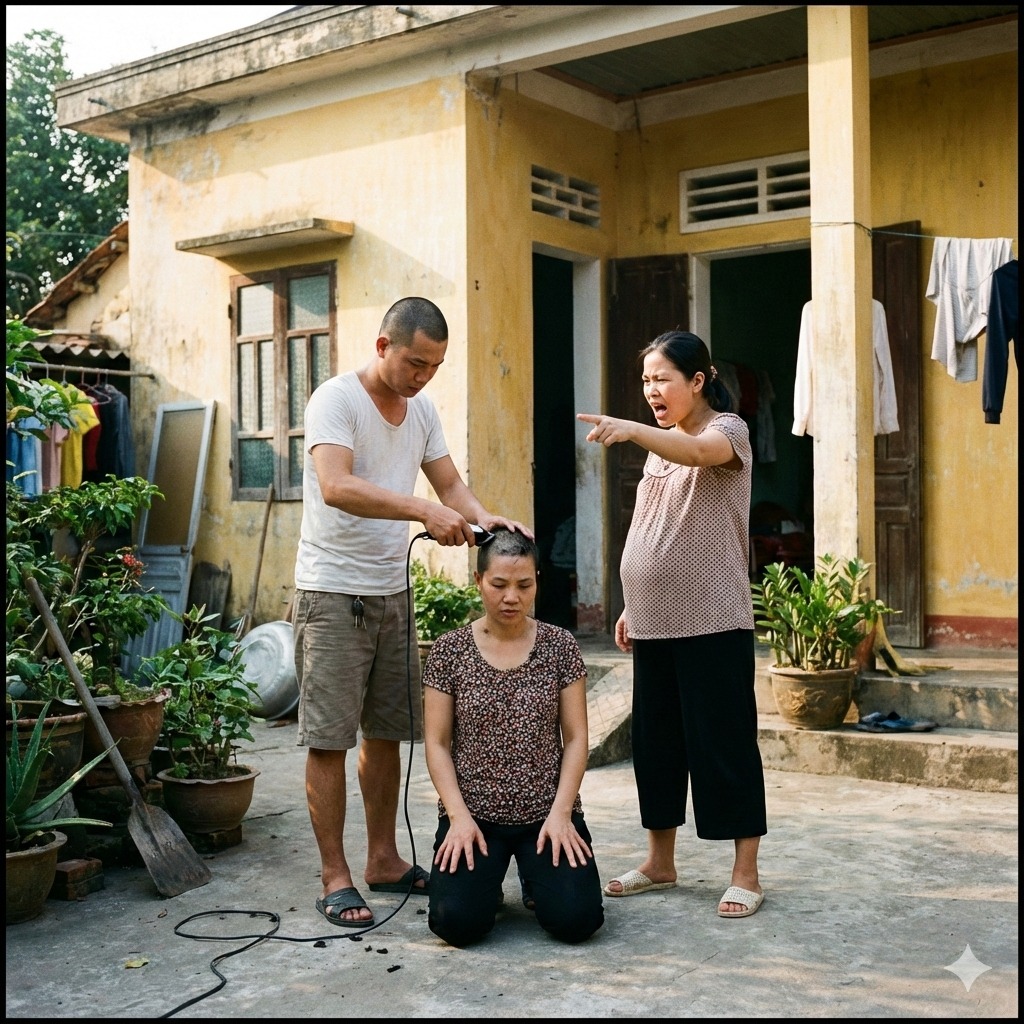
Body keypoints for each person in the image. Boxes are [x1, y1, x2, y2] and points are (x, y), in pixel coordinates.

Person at [293, 297, 531, 928]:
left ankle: (382, 859)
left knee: (385, 730)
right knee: (329, 738)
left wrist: (486, 520)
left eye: (434, 366)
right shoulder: (335, 401)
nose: (423, 376)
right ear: (382, 346)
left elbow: (450, 486)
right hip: (331, 591)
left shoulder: (422, 410)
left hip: (389, 592)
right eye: (414, 362)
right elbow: (335, 485)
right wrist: (422, 512)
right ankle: (335, 875)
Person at [577, 329, 767, 919]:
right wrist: (634, 602)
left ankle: (746, 873)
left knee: (723, 744)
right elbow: (649, 525)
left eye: (661, 379)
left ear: (698, 381)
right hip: (655, 621)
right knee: (657, 747)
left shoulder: (726, 432)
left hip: (713, 618)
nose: (651, 391)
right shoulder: (662, 448)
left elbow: (700, 454)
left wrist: (634, 429)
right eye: (645, 382)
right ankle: (660, 861)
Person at [421, 527, 604, 946]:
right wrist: (458, 818)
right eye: (499, 584)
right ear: (479, 581)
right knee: (455, 923)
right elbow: (436, 742)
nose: (511, 597)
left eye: (524, 585)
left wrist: (561, 814)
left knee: (577, 920)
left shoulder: (560, 645)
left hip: (546, 813)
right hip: (475, 815)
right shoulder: (449, 651)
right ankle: (494, 876)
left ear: (537, 580)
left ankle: (533, 874)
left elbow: (576, 739)